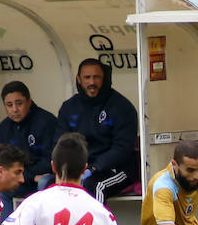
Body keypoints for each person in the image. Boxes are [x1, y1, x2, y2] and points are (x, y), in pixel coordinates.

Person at [0, 80, 58, 225]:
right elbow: (1, 162)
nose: (14, 109)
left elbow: (51, 161)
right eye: (9, 105)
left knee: (44, 182)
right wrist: (28, 176)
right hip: (24, 179)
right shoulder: (5, 127)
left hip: (46, 179)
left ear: (29, 101)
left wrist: (27, 175)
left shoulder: (47, 121)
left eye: (19, 103)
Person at [56, 58, 138, 203]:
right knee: (49, 183)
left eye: (97, 77)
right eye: (87, 77)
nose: (92, 82)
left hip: (117, 168)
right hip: (81, 168)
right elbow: (61, 142)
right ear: (79, 79)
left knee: (95, 186)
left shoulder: (122, 107)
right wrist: (72, 168)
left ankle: (95, 219)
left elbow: (123, 148)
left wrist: (94, 168)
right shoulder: (69, 107)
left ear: (104, 78)